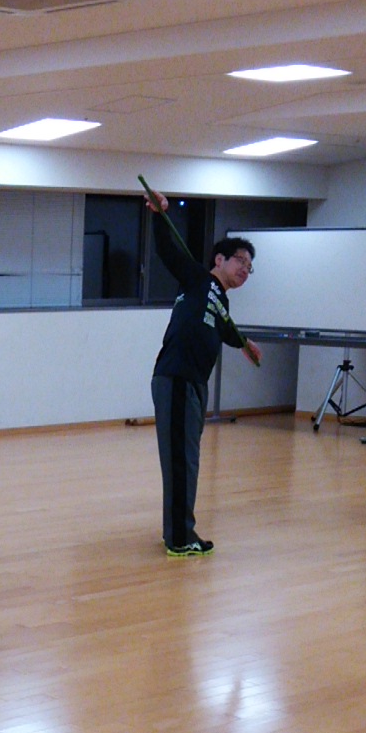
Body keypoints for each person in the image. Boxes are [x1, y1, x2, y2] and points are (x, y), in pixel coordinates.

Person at [142, 187, 263, 557]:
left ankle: (178, 530)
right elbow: (170, 252)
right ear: (219, 259)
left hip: (193, 383)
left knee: (187, 459)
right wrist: (160, 216)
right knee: (182, 460)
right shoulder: (199, 280)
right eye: (240, 260)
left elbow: (225, 328)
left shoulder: (219, 300)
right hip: (177, 378)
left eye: (250, 267)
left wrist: (244, 344)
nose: (245, 269)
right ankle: (180, 537)